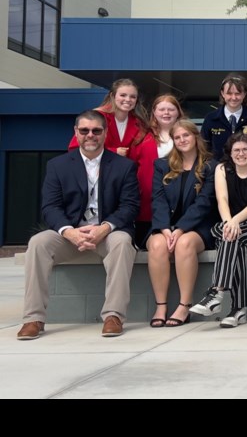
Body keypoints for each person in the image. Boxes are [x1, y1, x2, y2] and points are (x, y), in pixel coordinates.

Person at [17, 111, 139, 340]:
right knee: (38, 243)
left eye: (96, 131)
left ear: (105, 133)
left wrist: (104, 228)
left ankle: (114, 315)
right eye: (84, 131)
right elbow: (50, 207)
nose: (90, 135)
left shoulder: (124, 166)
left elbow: (130, 206)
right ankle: (33, 318)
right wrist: (69, 231)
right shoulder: (58, 165)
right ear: (76, 133)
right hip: (70, 233)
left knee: (123, 242)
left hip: (107, 232)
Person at [190, 133, 247, 328]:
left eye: (245, 150)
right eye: (236, 150)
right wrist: (229, 222)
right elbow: (222, 200)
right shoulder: (222, 169)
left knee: (228, 237)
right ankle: (237, 311)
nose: (241, 153)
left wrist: (234, 221)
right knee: (233, 241)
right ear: (230, 153)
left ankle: (217, 293)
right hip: (231, 228)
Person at [147, 119, 217, 327]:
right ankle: (161, 305)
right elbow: (158, 199)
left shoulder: (210, 166)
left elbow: (205, 202)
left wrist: (180, 229)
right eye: (177, 137)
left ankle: (184, 305)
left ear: (195, 137)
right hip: (166, 225)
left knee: (184, 243)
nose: (182, 140)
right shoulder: (162, 165)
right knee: (158, 244)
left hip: (198, 226)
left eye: (186, 135)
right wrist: (165, 228)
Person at [69, 79, 152, 246]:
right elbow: (74, 147)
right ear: (113, 96)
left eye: (132, 96)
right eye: (123, 95)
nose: (127, 100)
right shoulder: (97, 117)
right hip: (98, 178)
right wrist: (114, 152)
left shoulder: (139, 123)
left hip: (126, 180)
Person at [130, 94, 186, 248]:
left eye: (171, 109)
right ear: (154, 112)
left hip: (179, 200)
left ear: (178, 112)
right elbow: (132, 166)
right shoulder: (142, 138)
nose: (166, 113)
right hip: (148, 201)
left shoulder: (186, 137)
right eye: (161, 109)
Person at [201, 73, 247, 161]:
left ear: (244, 94)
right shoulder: (211, 119)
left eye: (238, 93)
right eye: (229, 93)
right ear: (222, 94)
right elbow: (203, 149)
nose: (233, 97)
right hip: (217, 171)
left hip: (246, 171)